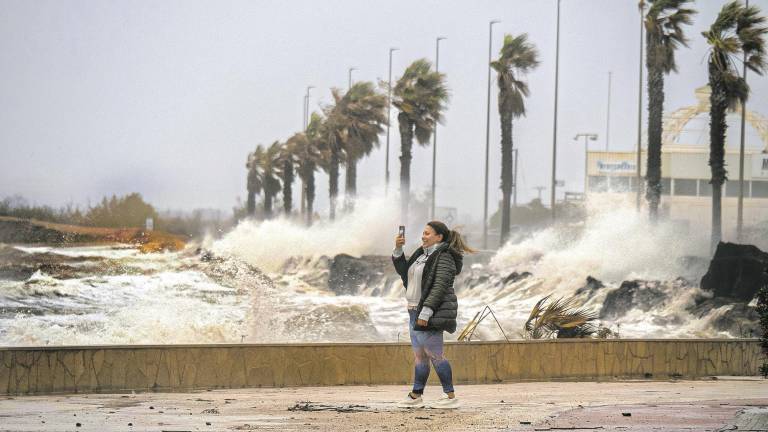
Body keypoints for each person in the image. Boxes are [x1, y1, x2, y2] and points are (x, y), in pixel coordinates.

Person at [391, 220, 475, 409]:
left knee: (435, 355)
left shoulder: (444, 257)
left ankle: (450, 396)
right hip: (413, 310)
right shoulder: (421, 254)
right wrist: (398, 249)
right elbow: (405, 273)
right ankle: (416, 395)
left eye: (428, 233)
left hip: (428, 312)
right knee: (420, 356)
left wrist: (426, 311)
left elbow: (440, 286)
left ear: (439, 237)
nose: (423, 236)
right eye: (423, 232)